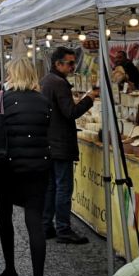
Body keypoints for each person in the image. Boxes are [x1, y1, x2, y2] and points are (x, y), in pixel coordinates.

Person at [0, 58, 52, 276]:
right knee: (35, 223)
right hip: (38, 167)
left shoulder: (4, 99)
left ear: (12, 74)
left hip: (9, 168)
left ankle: (10, 271)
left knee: (5, 218)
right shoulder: (44, 101)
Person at [40, 46, 98, 244]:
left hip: (49, 142)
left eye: (74, 62)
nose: (73, 66)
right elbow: (71, 112)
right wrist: (88, 98)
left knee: (50, 187)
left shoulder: (47, 80)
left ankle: (46, 226)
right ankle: (63, 229)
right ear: (58, 64)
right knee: (63, 187)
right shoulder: (58, 83)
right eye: (70, 63)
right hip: (60, 143)